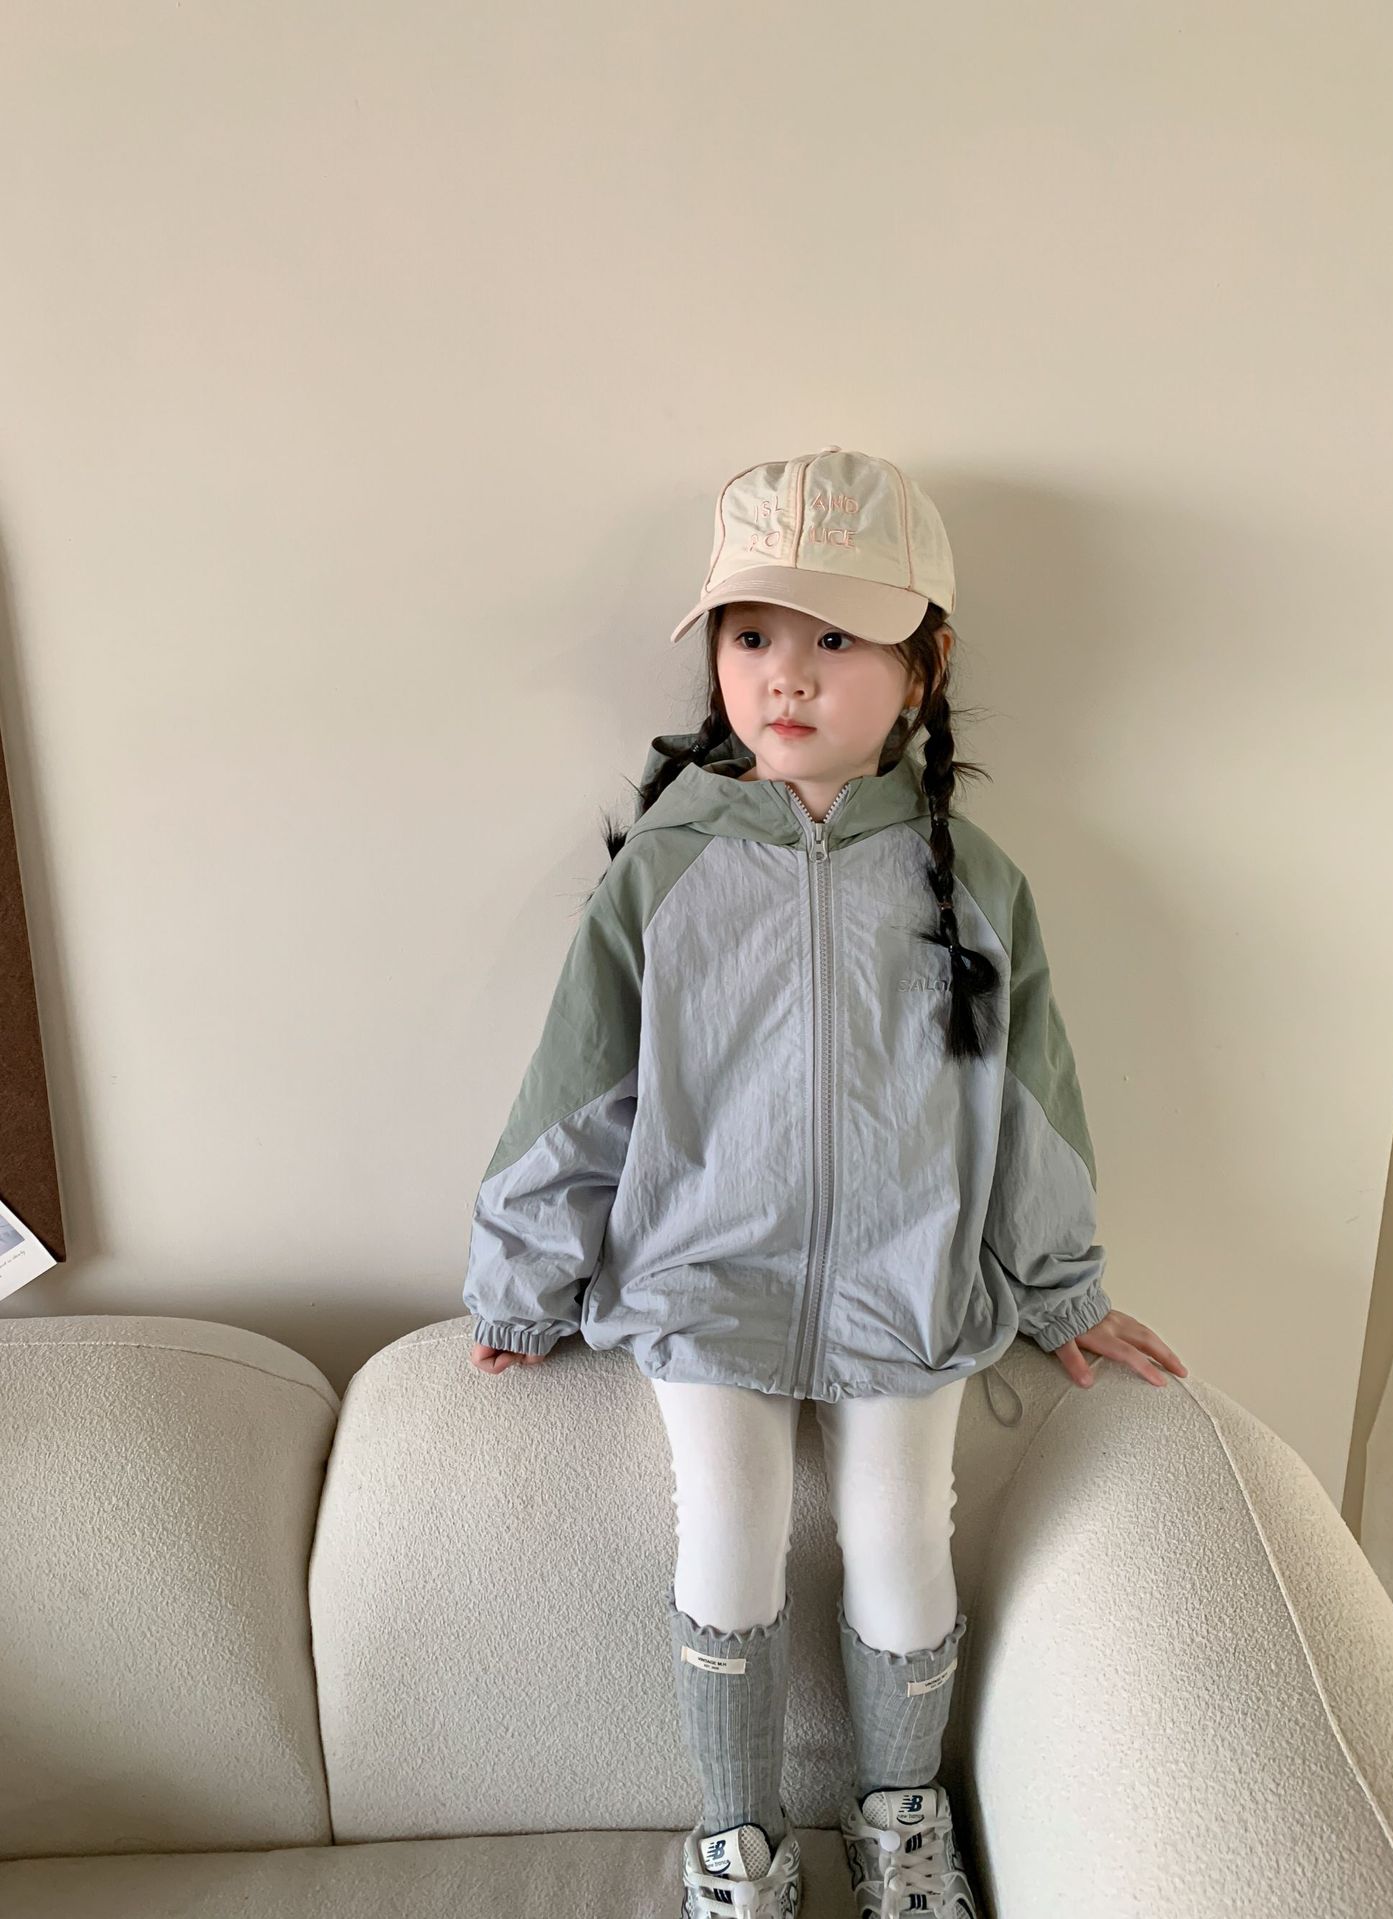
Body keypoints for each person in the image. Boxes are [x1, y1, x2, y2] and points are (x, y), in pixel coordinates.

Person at [463, 446, 1187, 1919]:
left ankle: (902, 1823)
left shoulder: (975, 883)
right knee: (726, 1533)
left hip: (908, 1277)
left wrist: (1064, 1290)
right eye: (751, 636)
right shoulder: (664, 872)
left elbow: (1031, 1102)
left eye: (837, 637)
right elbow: (578, 1089)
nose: (786, 675)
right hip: (700, 1275)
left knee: (903, 1537)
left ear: (925, 668)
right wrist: (522, 1280)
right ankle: (736, 1842)